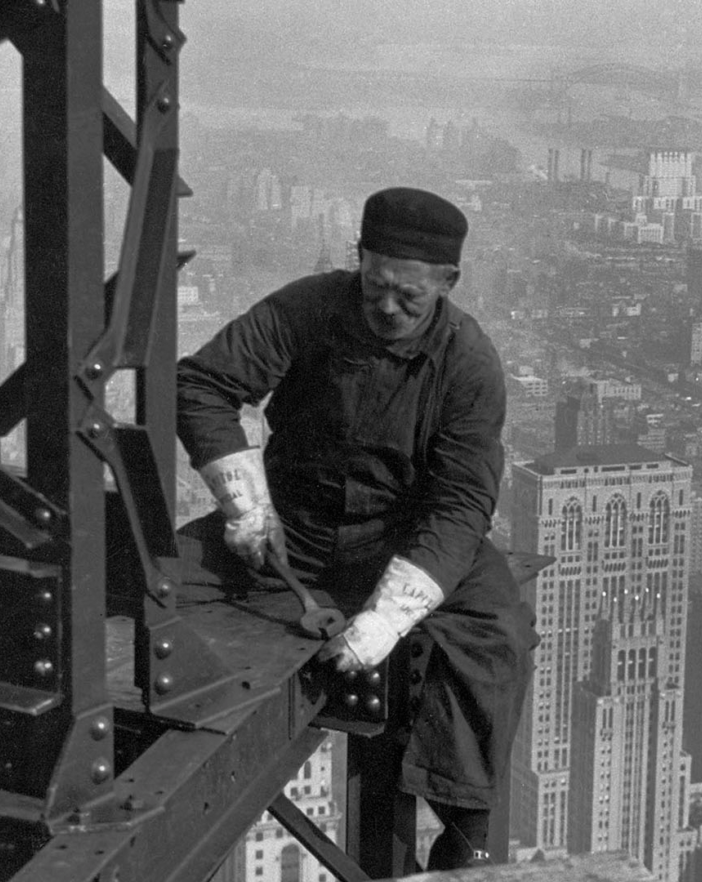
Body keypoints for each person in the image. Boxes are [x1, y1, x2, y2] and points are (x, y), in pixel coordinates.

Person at [175, 187, 537, 871]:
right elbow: (203, 385)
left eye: (409, 297)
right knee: (156, 578)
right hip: (292, 527)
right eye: (375, 286)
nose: (387, 308)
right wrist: (245, 505)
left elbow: (461, 503)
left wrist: (390, 617)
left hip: (402, 540)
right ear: (358, 260)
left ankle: (466, 825)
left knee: (497, 632)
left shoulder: (468, 362)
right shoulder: (305, 308)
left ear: (447, 284)